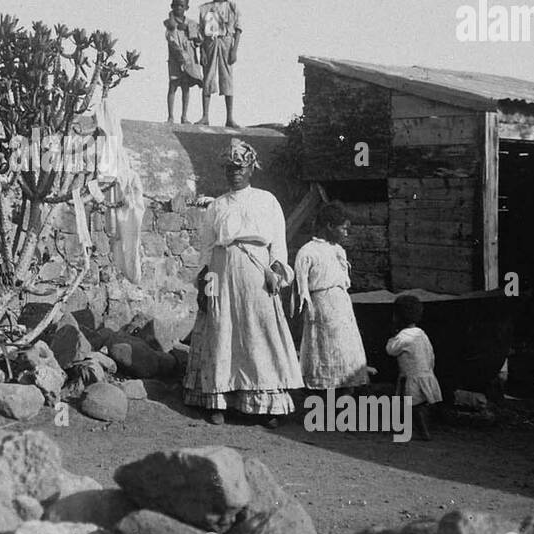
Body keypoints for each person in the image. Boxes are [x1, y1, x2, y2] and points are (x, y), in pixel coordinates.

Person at [184, 138, 303, 425]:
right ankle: (219, 401)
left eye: (240, 167)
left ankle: (266, 403)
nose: (234, 172)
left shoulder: (266, 200)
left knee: (259, 331)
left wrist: (276, 269)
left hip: (256, 273)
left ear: (251, 169)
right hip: (223, 271)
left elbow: (278, 242)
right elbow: (207, 247)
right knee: (222, 330)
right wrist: (204, 279)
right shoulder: (217, 206)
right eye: (229, 168)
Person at [293, 201, 373, 392]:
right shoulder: (307, 251)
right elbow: (301, 289)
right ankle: (325, 399)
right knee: (325, 352)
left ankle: (345, 398)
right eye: (343, 228)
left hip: (342, 308)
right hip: (322, 309)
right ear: (329, 226)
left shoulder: (338, 250)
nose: (346, 233)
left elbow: (344, 281)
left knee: (346, 354)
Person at [386, 293, 442, 440]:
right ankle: (419, 428)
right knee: (422, 405)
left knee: (413, 406)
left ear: (397, 317)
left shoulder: (403, 337)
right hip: (426, 374)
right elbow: (430, 353)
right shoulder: (421, 334)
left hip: (411, 377)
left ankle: (422, 431)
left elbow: (391, 350)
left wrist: (392, 336)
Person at [196, 0, 242, 128]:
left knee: (227, 78)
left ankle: (229, 117)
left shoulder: (231, 7)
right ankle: (205, 116)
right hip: (210, 43)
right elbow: (202, 32)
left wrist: (234, 50)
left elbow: (238, 30)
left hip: (226, 42)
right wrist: (202, 50)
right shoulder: (205, 8)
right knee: (208, 77)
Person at [164, 0, 200, 123]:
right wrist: (180, 54)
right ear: (172, 6)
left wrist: (191, 31)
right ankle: (170, 116)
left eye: (182, 5)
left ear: (186, 7)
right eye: (176, 5)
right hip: (175, 58)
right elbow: (171, 39)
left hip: (188, 59)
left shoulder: (191, 24)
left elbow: (198, 40)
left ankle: (184, 116)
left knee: (186, 86)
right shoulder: (170, 24)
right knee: (173, 85)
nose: (179, 8)